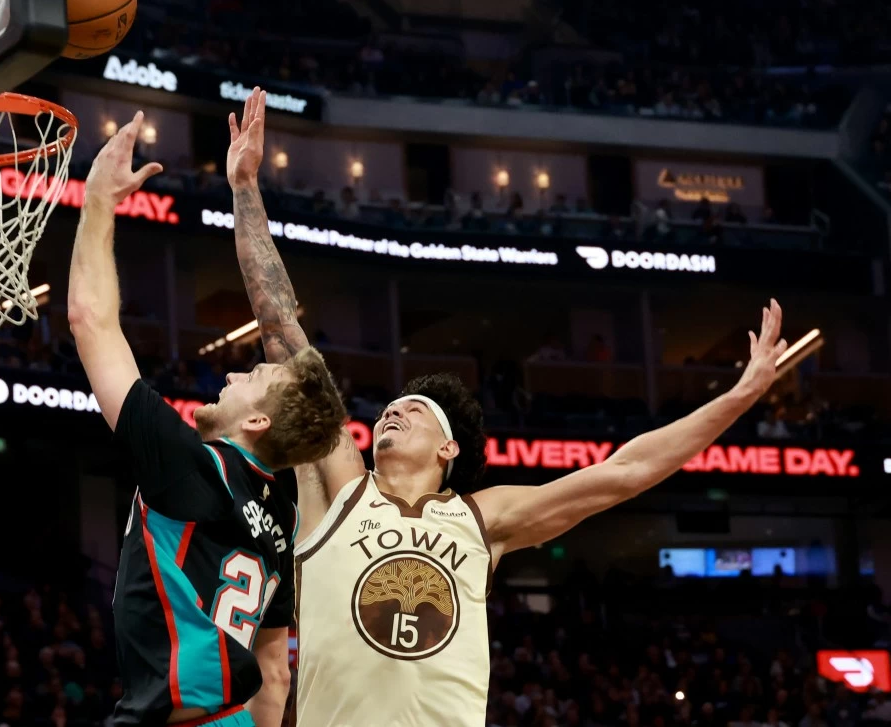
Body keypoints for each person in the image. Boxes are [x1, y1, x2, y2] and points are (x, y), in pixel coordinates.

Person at [227, 87, 789, 726]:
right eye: (388, 408)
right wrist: (245, 187)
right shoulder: (338, 485)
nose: (392, 413)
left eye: (413, 412)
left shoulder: (484, 517)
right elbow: (279, 325)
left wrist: (739, 398)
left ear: (449, 448)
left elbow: (625, 473)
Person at [67, 111, 348, 727]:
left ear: (258, 425)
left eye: (254, 379)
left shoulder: (197, 469)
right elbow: (274, 673)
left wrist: (96, 202)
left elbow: (91, 322)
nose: (233, 373)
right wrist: (243, 189)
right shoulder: (281, 518)